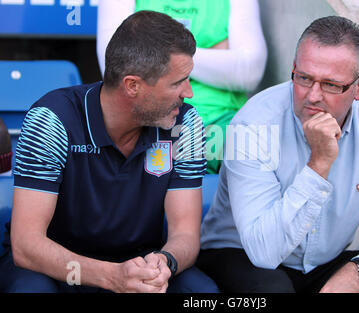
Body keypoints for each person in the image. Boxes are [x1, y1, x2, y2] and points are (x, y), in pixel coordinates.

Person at [197, 15, 359, 293]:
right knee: (273, 288)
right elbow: (264, 253)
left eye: (330, 84)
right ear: (293, 69)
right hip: (241, 254)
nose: (313, 95)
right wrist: (318, 164)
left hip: (324, 262)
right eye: (304, 78)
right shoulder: (253, 123)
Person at [0, 11, 219, 293]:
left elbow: (186, 234)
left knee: (201, 293)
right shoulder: (53, 118)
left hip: (137, 264)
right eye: (178, 82)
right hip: (58, 268)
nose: (188, 93)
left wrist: (165, 263)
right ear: (132, 86)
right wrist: (111, 277)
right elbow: (27, 246)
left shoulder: (185, 123)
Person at [97, 0, 267, 174]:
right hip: (151, 122)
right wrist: (216, 54)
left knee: (260, 152)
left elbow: (250, 71)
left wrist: (156, 57)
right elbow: (117, 67)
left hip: (221, 124)